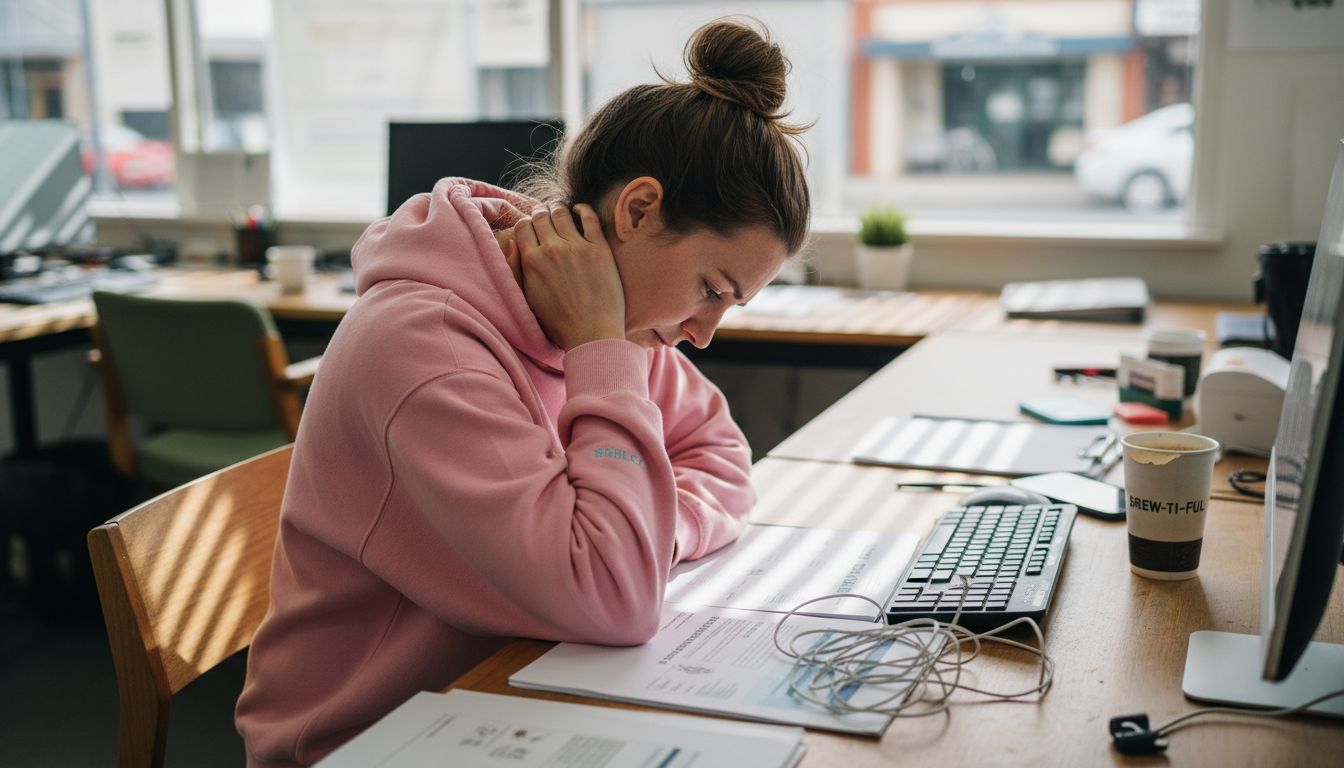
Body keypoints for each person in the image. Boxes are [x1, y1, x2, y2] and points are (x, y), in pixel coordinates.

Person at [236, 18, 810, 767]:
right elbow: (615, 597)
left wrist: (645, 527)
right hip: (364, 737)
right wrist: (600, 356)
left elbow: (720, 452)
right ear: (638, 211)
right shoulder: (428, 349)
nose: (704, 333)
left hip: (504, 692)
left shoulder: (617, 323)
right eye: (711, 289)